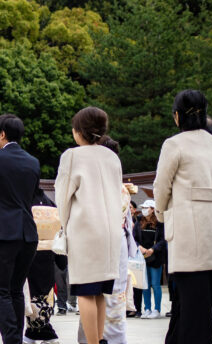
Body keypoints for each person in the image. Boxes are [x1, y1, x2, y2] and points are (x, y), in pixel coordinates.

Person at [54, 107, 123, 344]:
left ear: (79, 131)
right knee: (100, 291)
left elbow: (62, 198)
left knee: (84, 290)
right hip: (111, 233)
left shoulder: (72, 156)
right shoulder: (111, 157)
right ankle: (100, 339)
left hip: (85, 231)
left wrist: (64, 226)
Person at [155, 89, 212, 343]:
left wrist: (160, 214)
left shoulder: (174, 144)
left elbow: (161, 187)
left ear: (177, 116)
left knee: (193, 308)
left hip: (189, 237)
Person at [0, 114, 40, 344]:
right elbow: (32, 195)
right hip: (28, 233)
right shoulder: (33, 161)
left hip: (3, 231)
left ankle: (11, 340)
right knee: (15, 290)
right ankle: (16, 339)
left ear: (2, 134)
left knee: (0, 290)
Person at [77, 138, 136, 344]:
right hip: (115, 240)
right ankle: (109, 338)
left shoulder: (93, 184)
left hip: (93, 237)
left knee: (90, 292)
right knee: (109, 293)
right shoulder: (120, 188)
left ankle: (92, 339)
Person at [24, 190, 61, 344]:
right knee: (44, 295)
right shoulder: (49, 202)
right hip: (48, 253)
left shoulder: (23, 199)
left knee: (32, 294)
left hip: (28, 252)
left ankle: (45, 333)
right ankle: (34, 332)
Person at [135, 200, 166, 319]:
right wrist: (140, 247)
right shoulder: (139, 222)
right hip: (142, 257)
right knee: (145, 284)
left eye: (146, 207)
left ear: (152, 209)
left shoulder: (159, 223)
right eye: (143, 207)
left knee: (155, 284)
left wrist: (153, 249)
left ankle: (157, 309)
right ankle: (147, 308)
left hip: (155, 257)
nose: (144, 209)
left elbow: (163, 240)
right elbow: (134, 238)